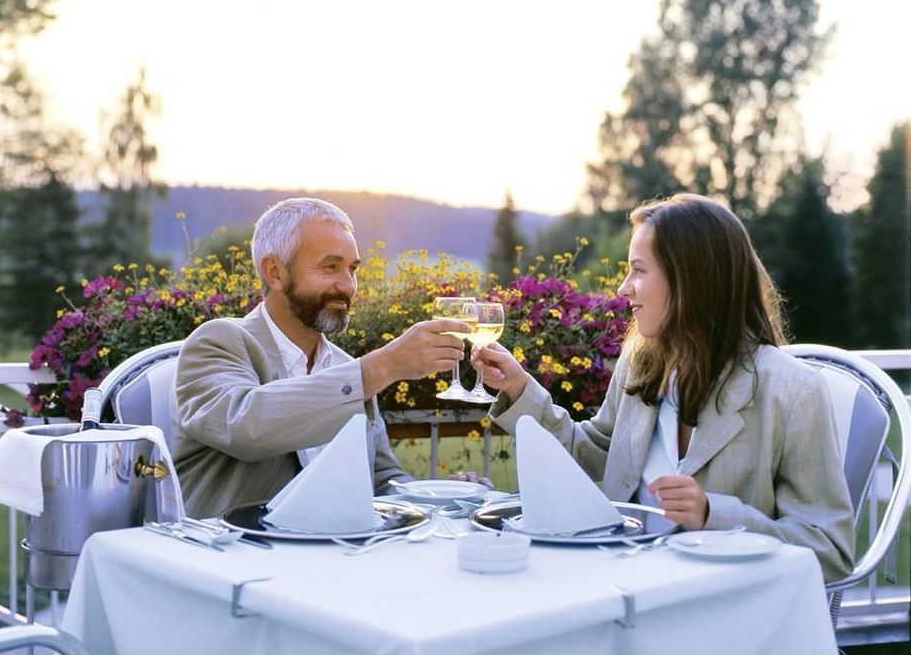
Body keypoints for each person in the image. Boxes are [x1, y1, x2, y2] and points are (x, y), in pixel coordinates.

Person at [473, 193, 854, 582]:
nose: (623, 289)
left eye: (639, 270)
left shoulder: (792, 390)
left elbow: (829, 550)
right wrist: (520, 389)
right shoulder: (640, 364)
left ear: (693, 279)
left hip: (723, 612)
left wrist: (712, 515)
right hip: (623, 588)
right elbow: (597, 455)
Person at [171, 197, 475, 518]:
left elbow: (383, 481)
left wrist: (448, 497)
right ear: (275, 272)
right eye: (331, 267)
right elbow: (244, 425)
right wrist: (380, 367)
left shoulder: (345, 367)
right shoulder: (220, 342)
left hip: (329, 555)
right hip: (231, 555)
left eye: (352, 269)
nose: (348, 286)